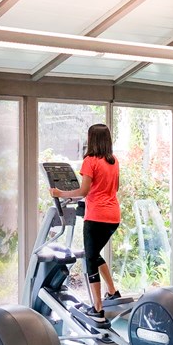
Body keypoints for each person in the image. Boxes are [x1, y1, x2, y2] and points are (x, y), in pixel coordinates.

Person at [50, 123, 121, 321]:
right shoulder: (113, 161)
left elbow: (83, 191)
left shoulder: (90, 161)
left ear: (92, 140)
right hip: (113, 216)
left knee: (90, 259)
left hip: (97, 216)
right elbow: (114, 187)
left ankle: (97, 309)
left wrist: (59, 193)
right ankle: (113, 291)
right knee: (95, 254)